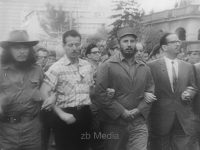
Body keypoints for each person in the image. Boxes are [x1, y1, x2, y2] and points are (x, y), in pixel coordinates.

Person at [94, 26, 155, 150]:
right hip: (115, 124)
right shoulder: (107, 66)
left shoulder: (144, 68)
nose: (129, 45)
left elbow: (150, 93)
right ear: (119, 44)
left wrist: (138, 110)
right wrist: (122, 111)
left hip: (138, 123)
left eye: (132, 41)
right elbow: (100, 94)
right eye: (125, 41)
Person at [40, 30, 93, 150]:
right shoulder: (57, 67)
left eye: (77, 44)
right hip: (65, 116)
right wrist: (61, 113)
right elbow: (43, 91)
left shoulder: (87, 65)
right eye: (70, 45)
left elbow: (89, 89)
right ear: (64, 46)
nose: (75, 48)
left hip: (85, 114)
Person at [148, 33, 200, 150]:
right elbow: (147, 88)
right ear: (164, 47)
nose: (178, 44)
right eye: (174, 42)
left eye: (178, 41)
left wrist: (188, 93)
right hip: (160, 119)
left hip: (182, 118)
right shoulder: (152, 66)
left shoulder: (187, 66)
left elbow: (193, 86)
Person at [0, 30, 43, 150]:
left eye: (25, 47)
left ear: (30, 50)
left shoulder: (37, 70)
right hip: (6, 131)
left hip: (32, 130)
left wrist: (50, 97)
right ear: (9, 50)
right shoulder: (1, 70)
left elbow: (46, 92)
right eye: (17, 48)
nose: (22, 51)